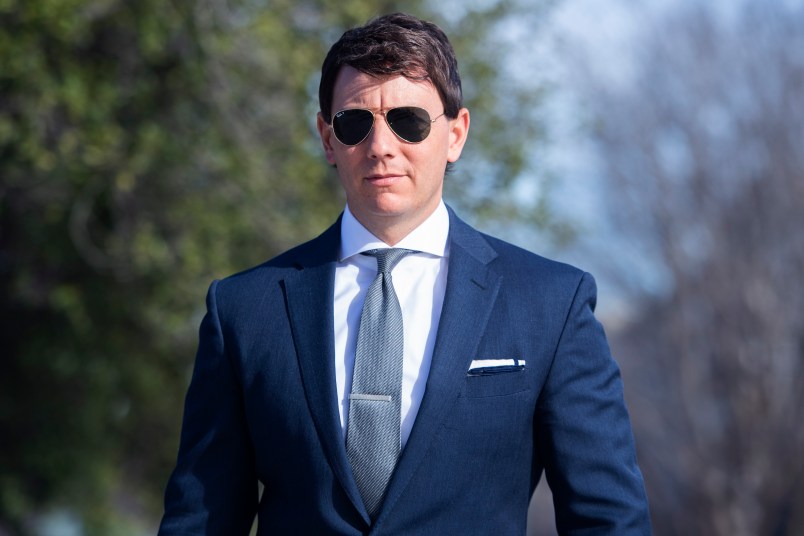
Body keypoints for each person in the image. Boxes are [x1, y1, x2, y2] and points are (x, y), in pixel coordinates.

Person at [158, 12, 651, 535]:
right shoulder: (244, 311)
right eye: (355, 123)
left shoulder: (551, 303)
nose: (381, 146)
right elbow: (201, 520)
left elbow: (608, 519)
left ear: (456, 134)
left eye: (408, 121)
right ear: (327, 140)